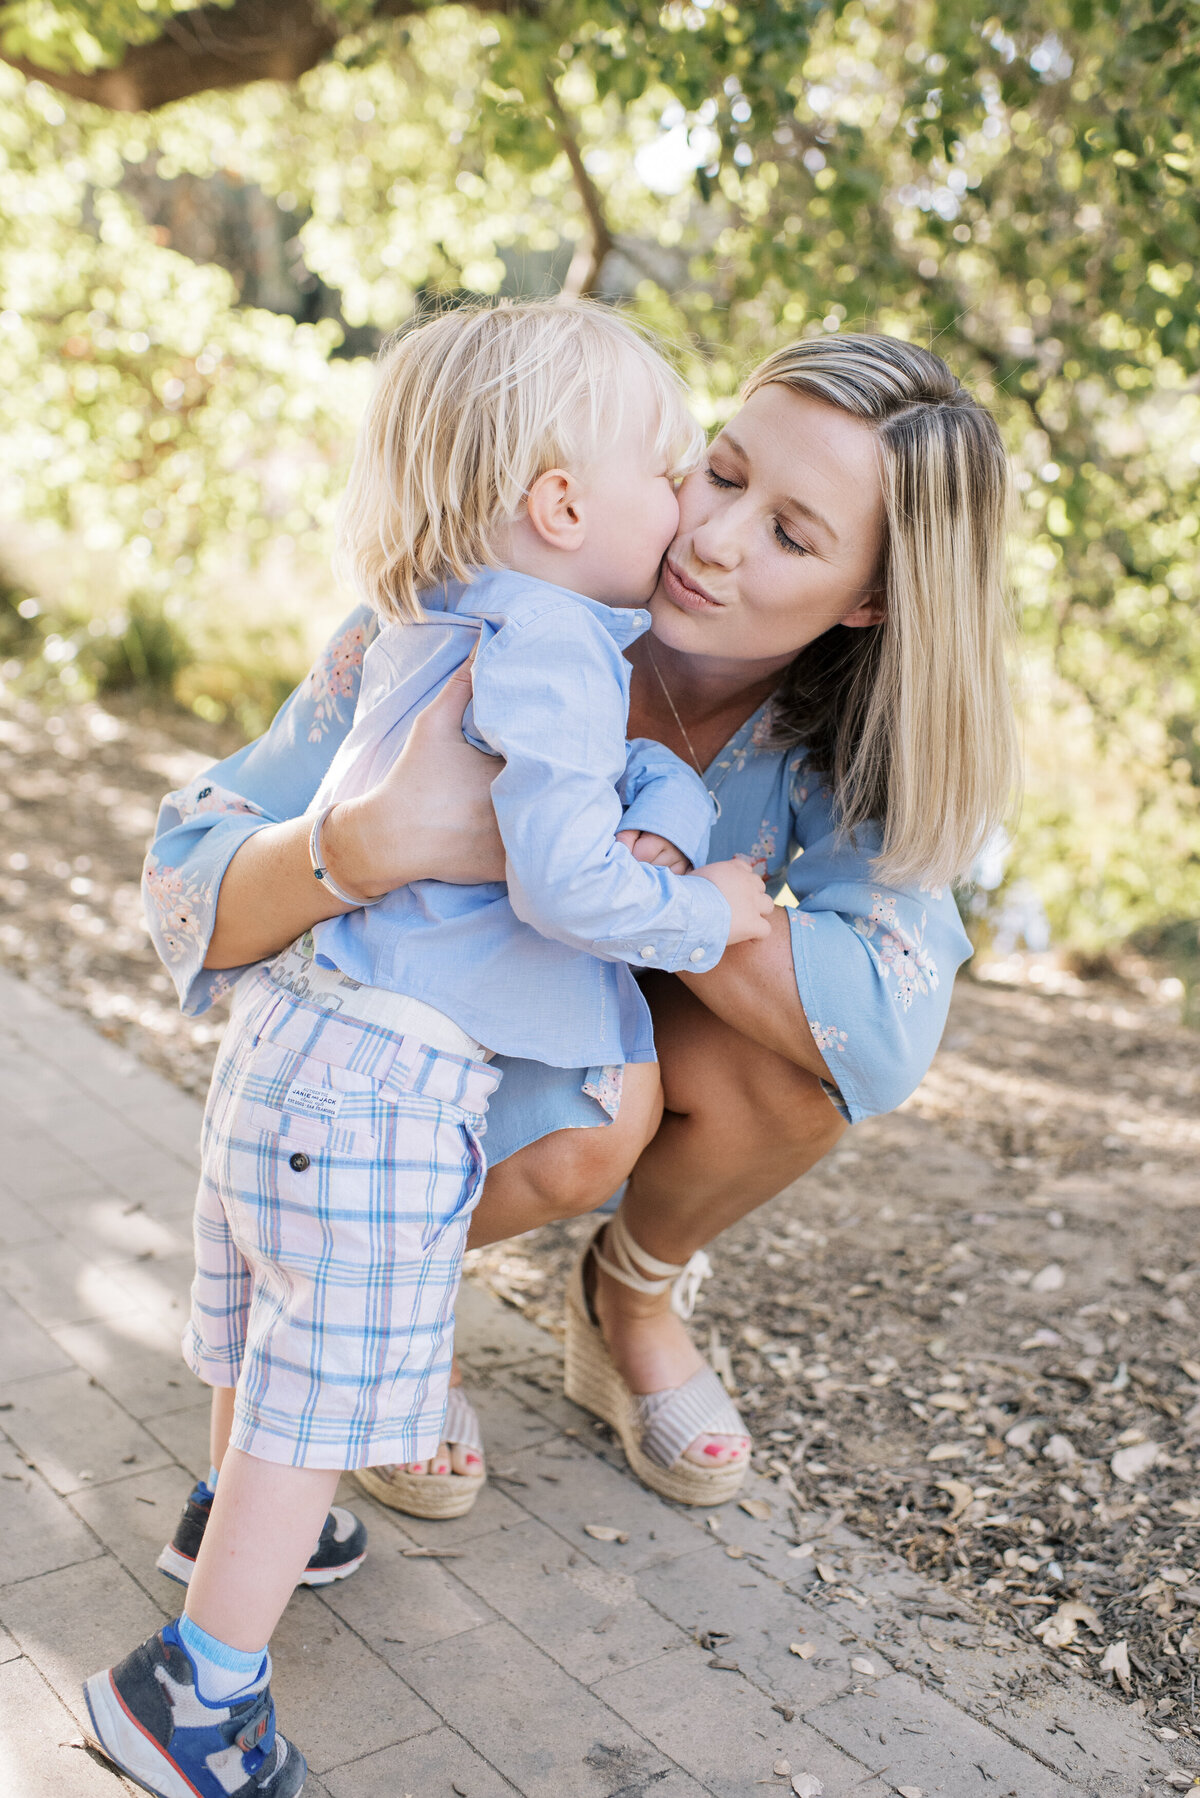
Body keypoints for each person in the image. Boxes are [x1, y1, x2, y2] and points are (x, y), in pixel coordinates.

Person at [139, 330, 1016, 1526]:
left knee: (790, 1075)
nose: (713, 536)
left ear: (870, 600)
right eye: (720, 472)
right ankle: (386, 1300)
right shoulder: (484, 611)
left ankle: (629, 1302)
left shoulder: (848, 745)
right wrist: (366, 842)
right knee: (608, 1108)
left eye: (791, 533)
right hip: (388, 1043)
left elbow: (883, 1022)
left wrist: (644, 879)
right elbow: (188, 866)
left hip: (581, 1003)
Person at [82, 299, 773, 1798]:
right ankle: (195, 1696)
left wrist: (653, 781)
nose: (684, 506)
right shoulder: (556, 649)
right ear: (562, 502)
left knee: (269, 1331)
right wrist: (704, 904)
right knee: (319, 1391)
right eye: (669, 467)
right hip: (393, 1082)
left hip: (295, 1042)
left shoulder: (447, 615)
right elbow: (566, 881)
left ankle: (230, 1521)